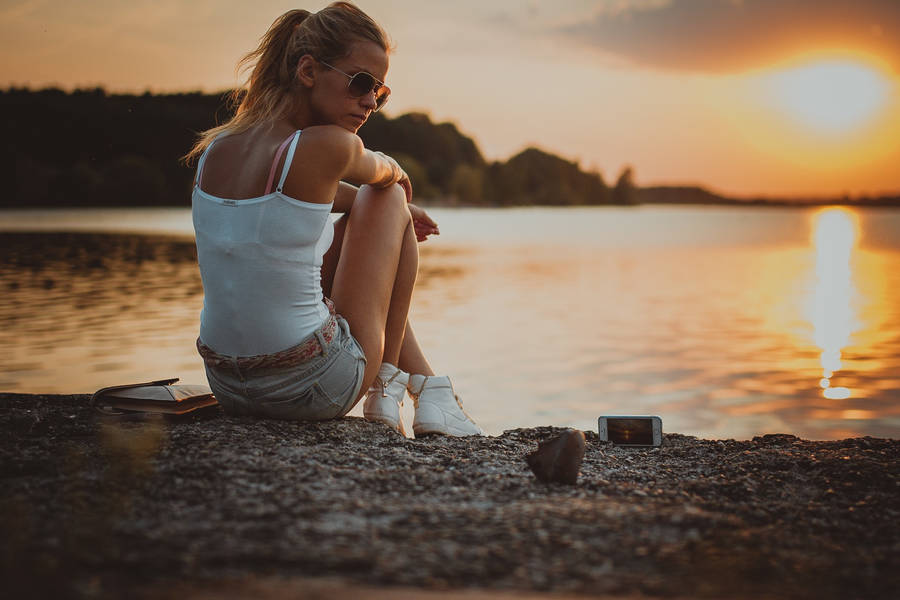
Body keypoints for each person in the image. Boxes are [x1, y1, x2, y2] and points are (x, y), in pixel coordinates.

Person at [185, 2, 482, 437]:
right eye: (361, 83)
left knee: (373, 210)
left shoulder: (216, 149)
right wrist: (399, 198)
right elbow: (388, 179)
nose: (369, 101)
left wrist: (387, 213)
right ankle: (390, 387)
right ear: (308, 71)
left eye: (380, 92)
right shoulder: (330, 144)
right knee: (387, 198)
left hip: (230, 387)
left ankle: (429, 388)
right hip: (313, 387)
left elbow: (302, 201)